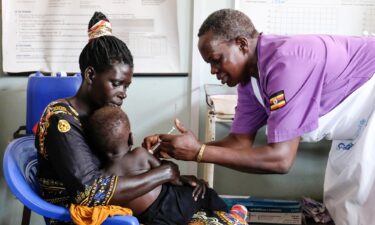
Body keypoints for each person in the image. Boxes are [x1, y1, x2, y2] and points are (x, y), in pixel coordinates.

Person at [143, 9, 375, 225]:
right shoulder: (250, 80)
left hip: (370, 96)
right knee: (345, 202)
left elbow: (281, 160)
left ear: (242, 44)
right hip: (356, 121)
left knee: (366, 201)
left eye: (216, 59)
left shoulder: (286, 63)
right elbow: (238, 143)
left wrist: (199, 152)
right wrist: (183, 149)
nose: (213, 70)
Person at [36, 11, 247, 225]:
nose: (123, 93)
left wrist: (176, 180)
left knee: (218, 214)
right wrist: (164, 173)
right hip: (78, 218)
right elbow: (90, 194)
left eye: (126, 86)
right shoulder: (61, 120)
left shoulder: (100, 115)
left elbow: (117, 169)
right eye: (116, 83)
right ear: (90, 75)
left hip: (123, 211)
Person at [85, 106, 248, 225]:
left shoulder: (102, 176)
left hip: (150, 219)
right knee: (205, 193)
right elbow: (171, 176)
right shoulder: (139, 154)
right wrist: (186, 182)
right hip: (175, 204)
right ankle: (231, 214)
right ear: (130, 138)